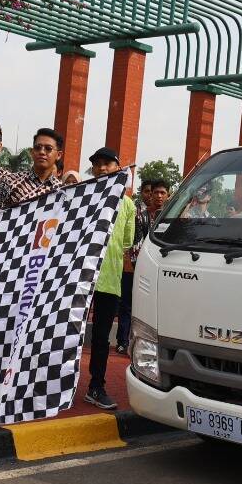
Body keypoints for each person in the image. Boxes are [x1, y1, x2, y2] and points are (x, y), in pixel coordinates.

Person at [85, 147, 135, 410]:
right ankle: (53, 383)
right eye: (97, 164)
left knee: (102, 338)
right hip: (77, 278)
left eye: (107, 164)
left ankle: (96, 385)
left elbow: (128, 242)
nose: (102, 168)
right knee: (65, 332)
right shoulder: (81, 196)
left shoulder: (128, 203)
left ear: (118, 168)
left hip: (109, 280)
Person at [116, 179, 157, 355]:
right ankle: (122, 341)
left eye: (153, 191)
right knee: (126, 305)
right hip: (131, 265)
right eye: (147, 191)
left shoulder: (164, 215)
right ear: (142, 192)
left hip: (152, 268)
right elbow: (129, 238)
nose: (150, 195)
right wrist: (127, 260)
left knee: (146, 308)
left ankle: (141, 345)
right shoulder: (134, 210)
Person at [10, 128, 65, 203]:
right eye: (37, 148)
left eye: (48, 148)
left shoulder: (62, 190)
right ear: (32, 152)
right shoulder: (10, 181)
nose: (42, 152)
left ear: (58, 155)